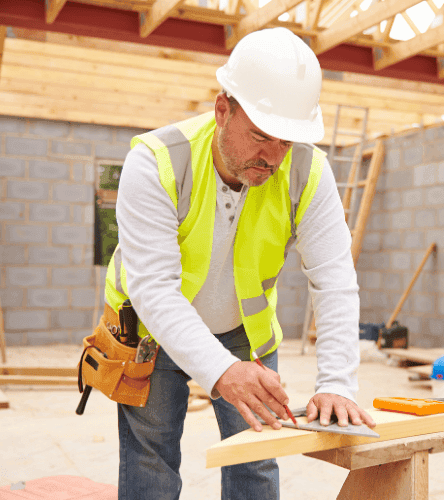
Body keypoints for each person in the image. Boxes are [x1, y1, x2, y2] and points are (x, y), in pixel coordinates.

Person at [105, 27, 375, 500]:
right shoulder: (156, 163)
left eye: (286, 142)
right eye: (260, 136)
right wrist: (221, 372)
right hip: (151, 329)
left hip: (243, 332)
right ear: (222, 109)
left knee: (256, 459)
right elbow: (153, 289)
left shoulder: (307, 172)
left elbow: (334, 280)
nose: (271, 157)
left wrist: (336, 383)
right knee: (152, 460)